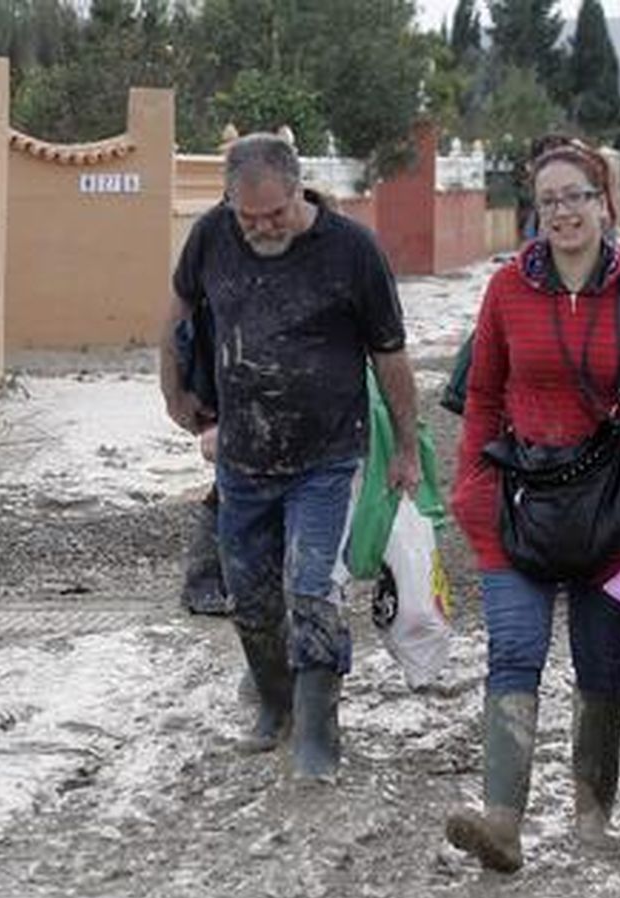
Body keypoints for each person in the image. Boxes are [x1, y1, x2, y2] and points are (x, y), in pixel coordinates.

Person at [445, 139, 620, 870]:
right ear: (537, 212)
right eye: (548, 200)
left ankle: (593, 822)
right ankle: (501, 823)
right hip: (517, 504)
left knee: (598, 662)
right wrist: (471, 493)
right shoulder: (505, 291)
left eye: (576, 197)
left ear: (603, 203)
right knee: (514, 651)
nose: (562, 212)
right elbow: (483, 395)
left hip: (616, 512)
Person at [160, 132, 420, 781]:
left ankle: (318, 731)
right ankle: (274, 706)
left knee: (312, 589)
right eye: (248, 218)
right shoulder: (211, 237)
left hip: (327, 456)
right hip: (243, 456)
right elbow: (177, 314)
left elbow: (391, 353)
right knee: (249, 595)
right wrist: (174, 393)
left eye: (273, 215)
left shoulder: (352, 251)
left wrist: (408, 449)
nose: (261, 229)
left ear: (298, 189)